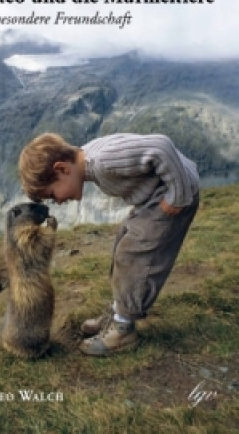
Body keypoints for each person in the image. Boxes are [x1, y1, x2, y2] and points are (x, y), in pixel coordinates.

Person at [18, 132, 200, 356]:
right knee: (122, 246)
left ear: (62, 169)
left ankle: (124, 329)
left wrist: (177, 196)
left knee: (134, 256)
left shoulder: (104, 161)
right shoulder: (88, 160)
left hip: (172, 194)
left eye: (53, 195)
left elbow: (161, 146)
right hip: (152, 196)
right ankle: (118, 313)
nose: (58, 201)